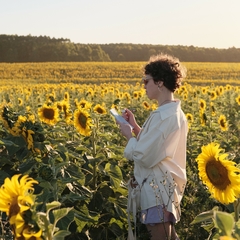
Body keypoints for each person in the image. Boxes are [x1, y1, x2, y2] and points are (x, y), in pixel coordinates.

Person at [118, 53, 188, 240]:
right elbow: (158, 146)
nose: (144, 86)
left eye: (146, 81)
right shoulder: (173, 112)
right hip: (165, 188)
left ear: (160, 82)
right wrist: (135, 127)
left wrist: (128, 137)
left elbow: (145, 156)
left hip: (156, 190)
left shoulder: (163, 116)